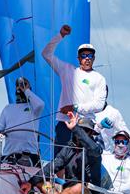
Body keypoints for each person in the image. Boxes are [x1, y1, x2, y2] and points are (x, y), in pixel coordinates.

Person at [42, 24, 107, 155]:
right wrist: (60, 35)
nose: (87, 58)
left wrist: (75, 107)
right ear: (78, 59)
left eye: (90, 55)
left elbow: (99, 105)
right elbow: (46, 54)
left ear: (93, 58)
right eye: (83, 55)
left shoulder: (99, 78)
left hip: (85, 124)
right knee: (59, 157)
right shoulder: (66, 70)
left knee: (80, 161)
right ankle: (59, 176)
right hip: (64, 122)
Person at [21, 111, 103, 194]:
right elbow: (52, 166)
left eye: (86, 131)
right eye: (82, 130)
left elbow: (95, 150)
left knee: (78, 188)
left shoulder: (93, 151)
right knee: (40, 180)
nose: (83, 133)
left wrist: (75, 128)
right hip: (66, 190)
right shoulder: (68, 148)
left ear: (91, 134)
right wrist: (30, 182)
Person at [0, 77, 44, 167]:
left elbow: (40, 104)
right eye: (19, 86)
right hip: (9, 154)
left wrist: (26, 90)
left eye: (23, 85)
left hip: (30, 154)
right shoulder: (8, 108)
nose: (20, 88)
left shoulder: (34, 108)